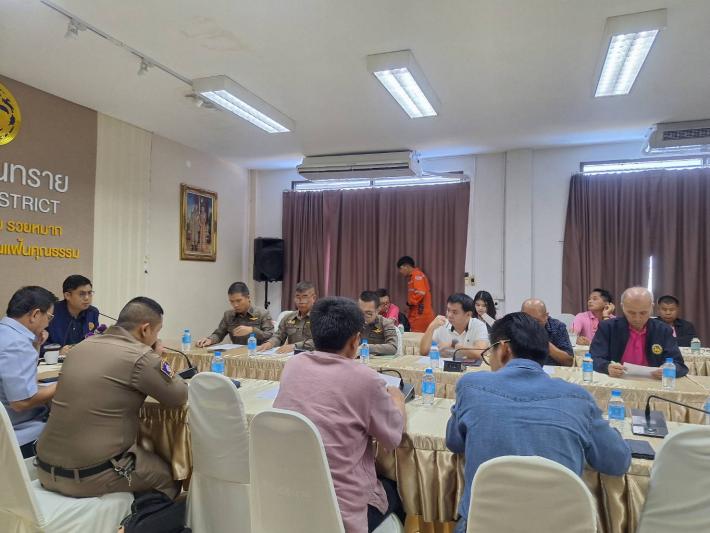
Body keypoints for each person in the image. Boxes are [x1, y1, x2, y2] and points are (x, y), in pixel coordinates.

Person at [446, 312, 631, 533]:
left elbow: (454, 442)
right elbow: (617, 461)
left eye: (490, 352)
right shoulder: (578, 398)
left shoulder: (471, 386)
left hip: (482, 526)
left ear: (503, 349)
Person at [274, 297, 406, 533]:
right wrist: (398, 400)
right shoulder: (365, 379)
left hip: (290, 499)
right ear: (355, 341)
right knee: (399, 490)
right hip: (341, 514)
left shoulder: (294, 365)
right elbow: (392, 438)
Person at [36, 297, 188, 499]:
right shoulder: (141, 356)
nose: (156, 338)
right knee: (170, 477)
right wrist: (157, 357)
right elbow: (179, 396)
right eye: (157, 332)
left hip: (43, 467)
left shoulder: (81, 347)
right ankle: (137, 516)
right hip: (90, 475)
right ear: (145, 329)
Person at [0, 286, 58, 458]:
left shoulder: (6, 333)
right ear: (35, 315)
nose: (48, 324)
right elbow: (21, 403)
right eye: (49, 317)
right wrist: (64, 384)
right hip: (20, 433)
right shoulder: (17, 344)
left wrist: (35, 344)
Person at [590, 287, 687, 379]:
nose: (637, 318)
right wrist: (606, 367)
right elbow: (594, 358)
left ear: (652, 307)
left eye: (643, 313)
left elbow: (679, 364)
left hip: (653, 383)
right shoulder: (608, 327)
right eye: (631, 313)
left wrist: (669, 370)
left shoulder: (663, 330)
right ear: (622, 307)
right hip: (617, 381)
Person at [195, 282, 274, 347]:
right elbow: (219, 334)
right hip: (236, 355)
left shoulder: (262, 313)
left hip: (258, 354)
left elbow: (271, 336)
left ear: (248, 297)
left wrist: (252, 330)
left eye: (238, 301)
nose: (235, 305)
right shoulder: (228, 315)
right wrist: (210, 339)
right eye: (231, 301)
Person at [420, 293, 489, 360]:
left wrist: (453, 344)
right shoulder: (442, 323)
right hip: (443, 366)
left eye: (454, 312)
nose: (449, 315)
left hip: (468, 367)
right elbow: (423, 352)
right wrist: (431, 327)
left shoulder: (479, 326)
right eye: (448, 310)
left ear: (468, 314)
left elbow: (481, 353)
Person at [46, 275, 100, 355]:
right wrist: (57, 352)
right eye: (82, 294)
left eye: (89, 293)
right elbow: (40, 341)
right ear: (67, 295)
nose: (87, 298)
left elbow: (94, 338)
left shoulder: (92, 312)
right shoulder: (51, 312)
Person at [258, 281, 316, 353]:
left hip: (313, 356)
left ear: (313, 298)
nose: (301, 301)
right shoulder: (288, 317)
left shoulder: (321, 317)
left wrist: (295, 346)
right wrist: (270, 343)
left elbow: (319, 341)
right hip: (292, 356)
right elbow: (279, 336)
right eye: (298, 297)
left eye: (305, 297)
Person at [521, 298, 574, 366]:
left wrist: (544, 342)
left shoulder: (557, 327)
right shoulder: (514, 326)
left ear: (546, 316)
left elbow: (569, 362)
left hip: (550, 370)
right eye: (527, 320)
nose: (531, 325)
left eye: (537, 321)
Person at [396, 256, 434, 333]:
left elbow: (421, 292)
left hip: (421, 315)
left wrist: (410, 302)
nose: (400, 271)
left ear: (406, 266)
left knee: (416, 337)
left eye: (400, 268)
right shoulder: (413, 277)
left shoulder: (417, 275)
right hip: (417, 313)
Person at [358, 291, 398, 356]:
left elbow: (393, 347)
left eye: (369, 313)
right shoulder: (354, 322)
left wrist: (367, 347)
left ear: (378, 310)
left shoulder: (385, 323)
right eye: (360, 313)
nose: (364, 317)